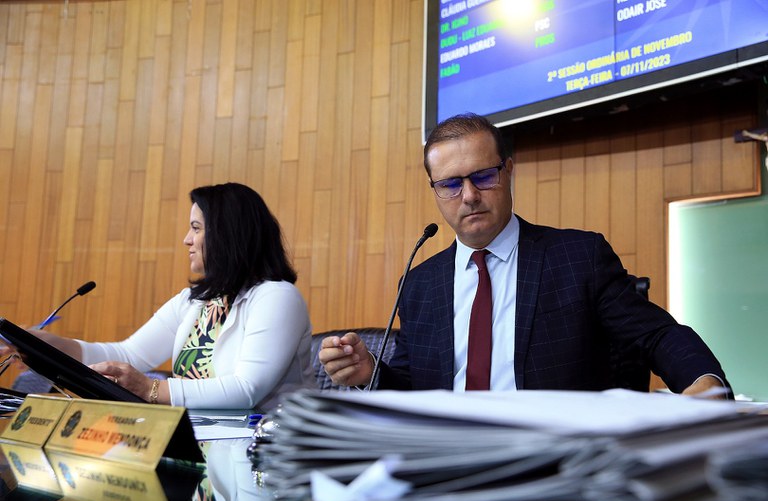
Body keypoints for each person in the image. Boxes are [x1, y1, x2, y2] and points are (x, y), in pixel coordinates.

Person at [319, 113, 729, 397]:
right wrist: (370, 372)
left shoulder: (577, 257)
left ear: (508, 171)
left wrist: (704, 380)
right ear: (435, 191)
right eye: (450, 184)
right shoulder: (419, 284)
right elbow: (416, 387)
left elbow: (656, 335)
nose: (469, 196)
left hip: (553, 460)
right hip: (448, 460)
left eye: (483, 176)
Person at [30, 183, 314, 409]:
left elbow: (246, 389)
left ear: (228, 235)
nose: (186, 239)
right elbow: (128, 354)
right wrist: (47, 345)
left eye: (196, 228)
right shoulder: (193, 301)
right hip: (200, 444)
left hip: (268, 451)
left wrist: (150, 389)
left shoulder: (277, 297)